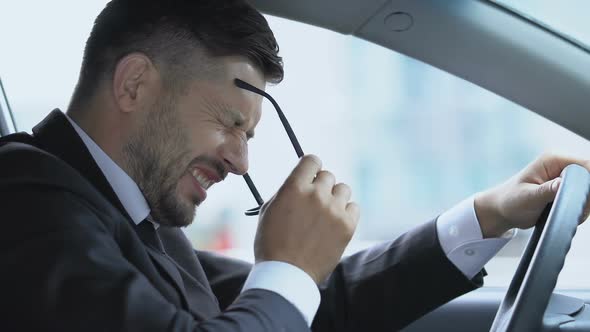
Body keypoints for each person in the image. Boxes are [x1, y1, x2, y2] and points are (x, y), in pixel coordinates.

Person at [0, 0, 588, 331]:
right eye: (230, 122)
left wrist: (490, 215)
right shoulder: (25, 198)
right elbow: (279, 296)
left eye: (250, 135)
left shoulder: (133, 220)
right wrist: (284, 265)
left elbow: (312, 305)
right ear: (134, 84)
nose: (241, 160)